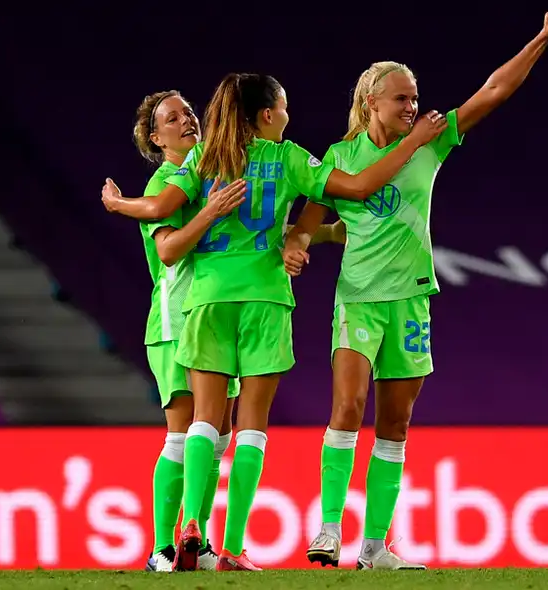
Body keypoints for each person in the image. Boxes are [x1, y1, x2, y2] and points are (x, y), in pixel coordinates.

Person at [104, 72, 447, 571]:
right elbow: (360, 184)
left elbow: (159, 210)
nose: (288, 116)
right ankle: (231, 548)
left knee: (201, 423)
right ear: (267, 114)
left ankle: (187, 531)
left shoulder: (203, 160)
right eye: (284, 108)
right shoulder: (288, 158)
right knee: (250, 429)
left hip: (206, 301)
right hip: (264, 299)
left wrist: (117, 204)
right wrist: (415, 142)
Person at [283, 12, 548, 571]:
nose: (413, 107)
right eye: (401, 99)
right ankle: (328, 529)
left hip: (411, 299)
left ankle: (374, 549)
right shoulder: (340, 159)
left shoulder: (430, 146)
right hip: (359, 298)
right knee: (348, 405)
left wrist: (539, 40)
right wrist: (296, 241)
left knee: (395, 423)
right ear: (371, 102)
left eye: (414, 98)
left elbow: (493, 91)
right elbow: (307, 219)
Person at [125, 90, 247, 572]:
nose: (187, 120)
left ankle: (198, 536)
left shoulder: (207, 171)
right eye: (172, 119)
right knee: (183, 433)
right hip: (178, 319)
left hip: (217, 313)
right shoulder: (167, 181)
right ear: (156, 138)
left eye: (189, 112)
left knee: (217, 433)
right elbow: (170, 249)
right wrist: (210, 211)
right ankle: (161, 548)